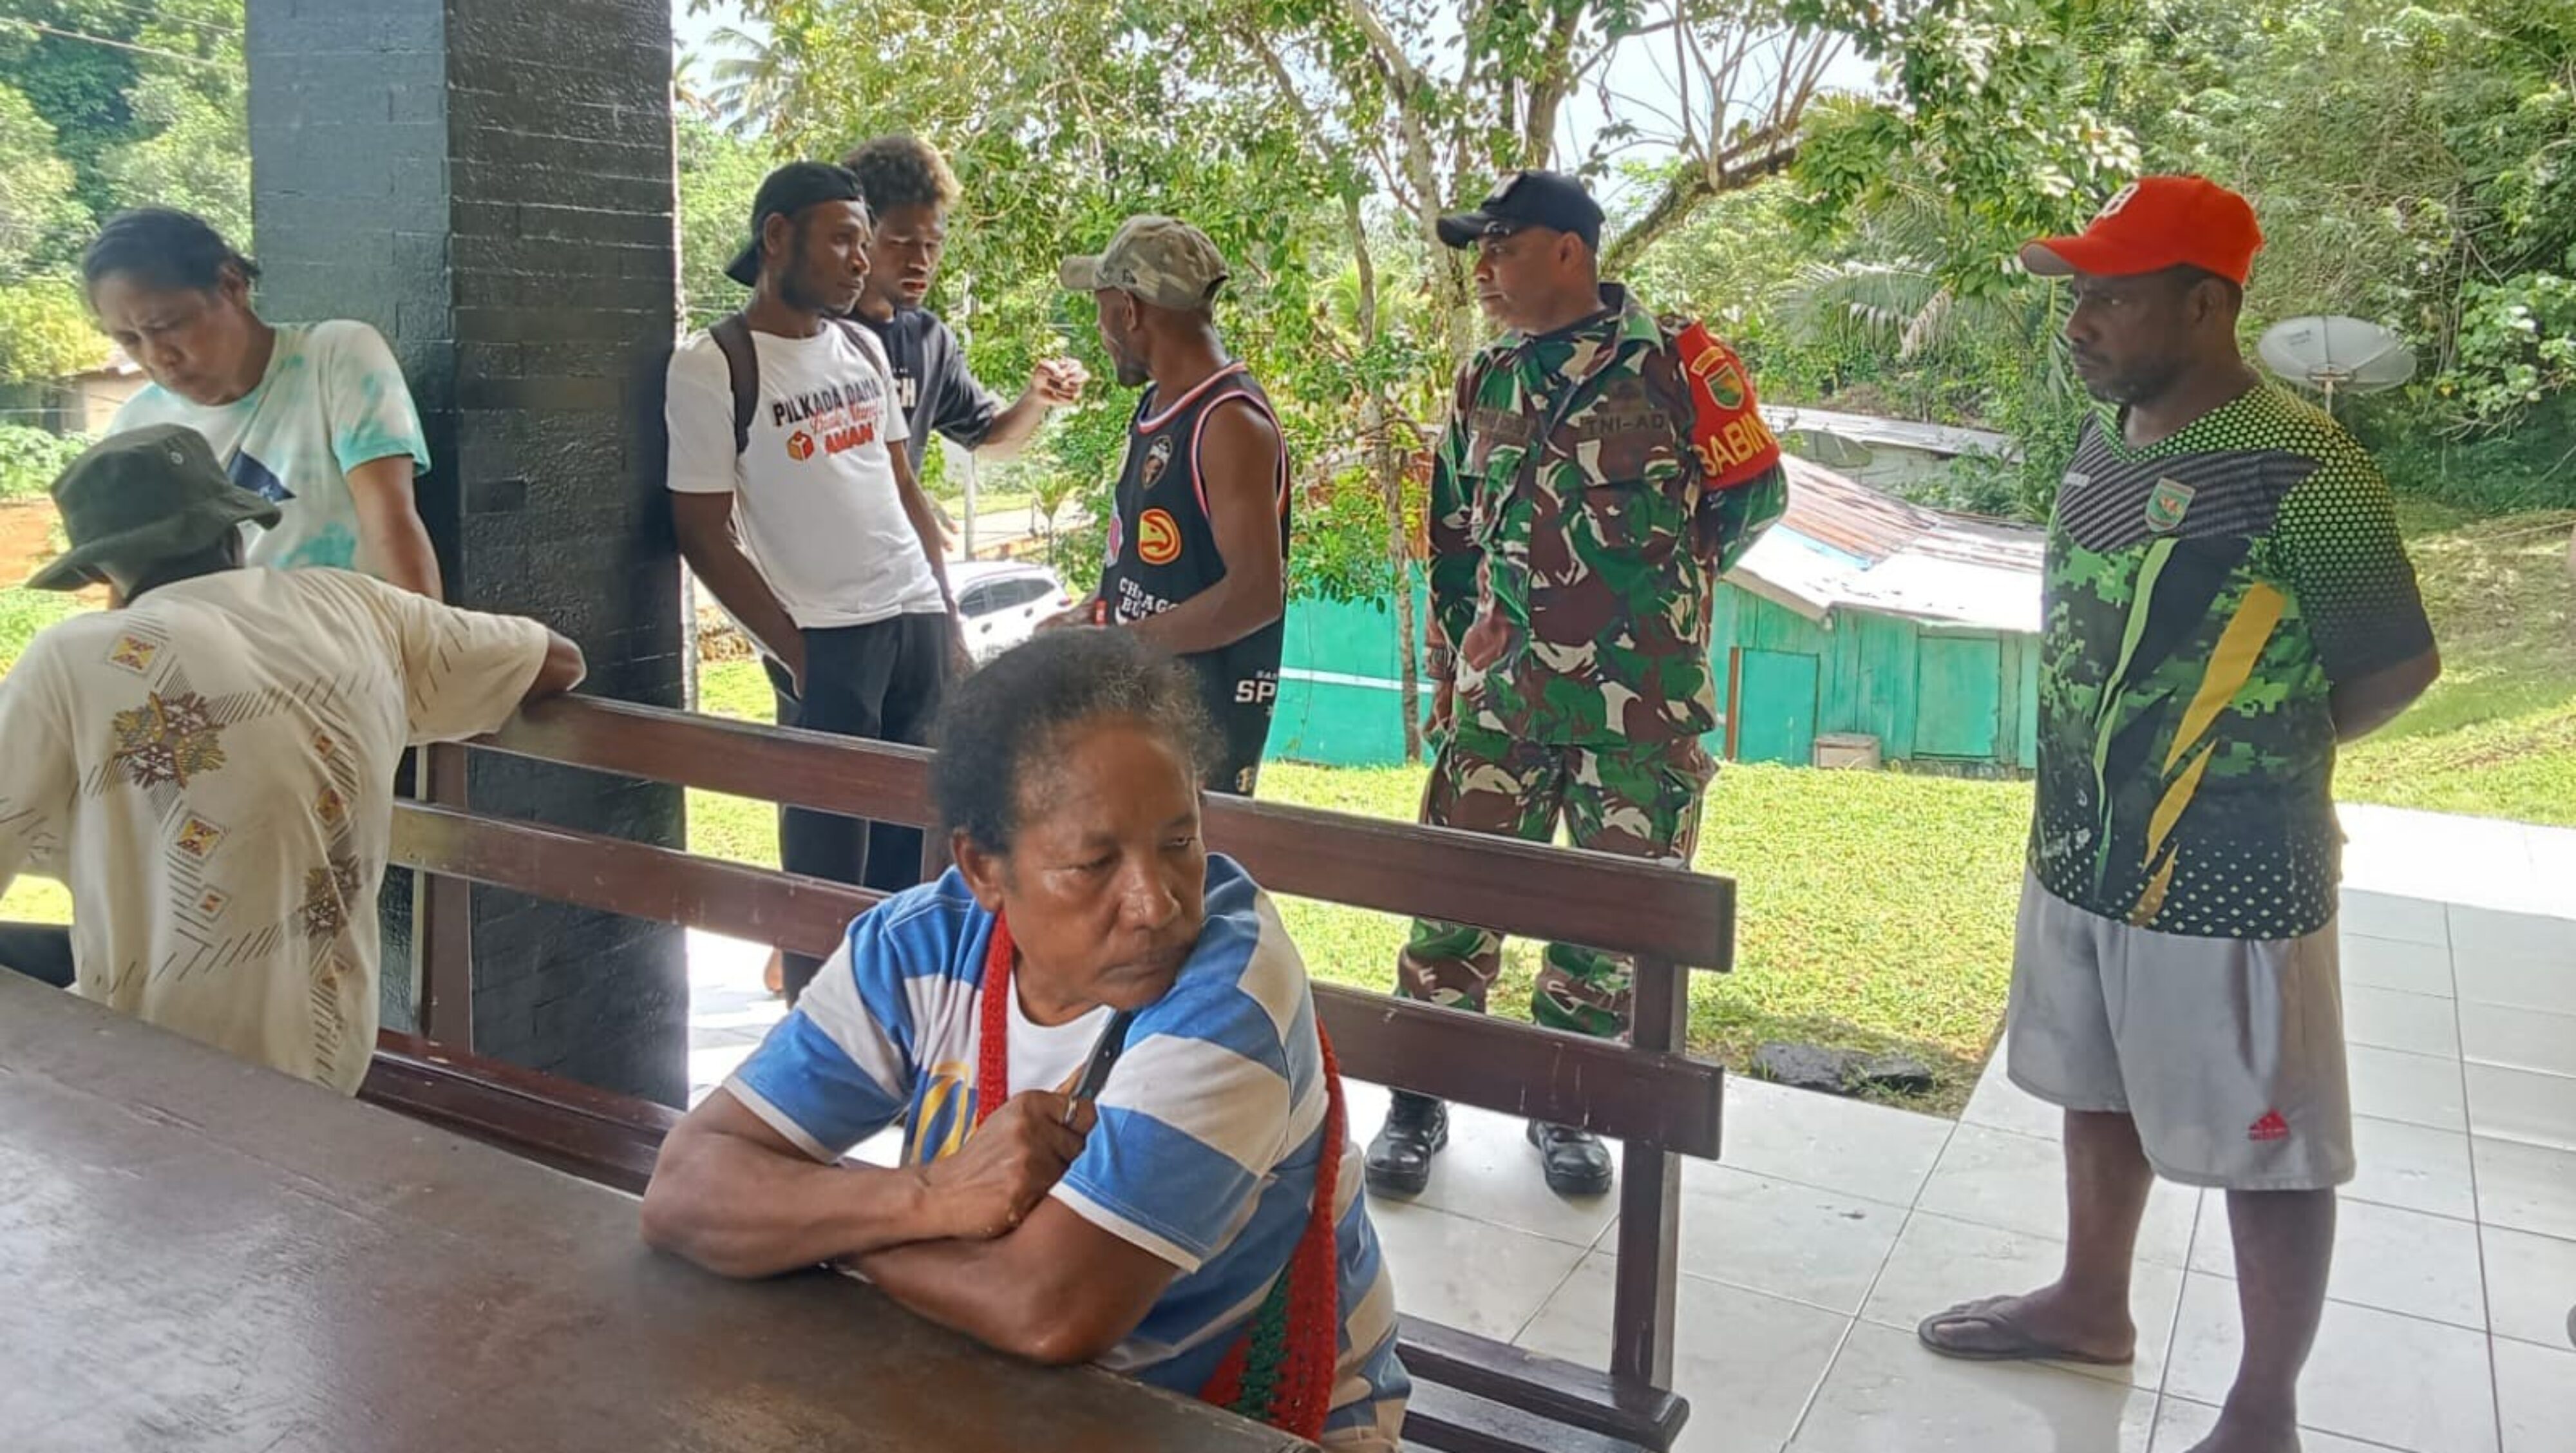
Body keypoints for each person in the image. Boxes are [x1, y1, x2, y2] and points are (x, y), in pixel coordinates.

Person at [1915, 176, 2440, 1453]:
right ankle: (2090, 1303)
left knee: (2272, 1142)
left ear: (2205, 306)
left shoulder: (2306, 469)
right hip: (2079, 852)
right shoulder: (2109, 440)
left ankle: (2263, 1409)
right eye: (2077, 294)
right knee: (2092, 1084)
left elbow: (2393, 662)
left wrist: (2252, 769)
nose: (2078, 320)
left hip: (2230, 877)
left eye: (2112, 295)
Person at [638, 629, 1408, 1450]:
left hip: (1254, 1417)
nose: (1154, 902)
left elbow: (1045, 1308)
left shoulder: (1231, 994)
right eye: (1093, 863)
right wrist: (932, 1198)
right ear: (982, 869)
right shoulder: (917, 950)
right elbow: (685, 1190)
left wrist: (820, 1231)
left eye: (1178, 843)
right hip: (1013, 1394)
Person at [1365, 170, 1787, 1200]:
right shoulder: (1486, 380)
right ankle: (1421, 1095)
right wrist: (1469, 656)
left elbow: (1753, 497)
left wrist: (1654, 599)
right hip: (1502, 705)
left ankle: (1570, 1106)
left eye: (1501, 246)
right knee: (1453, 903)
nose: (1485, 271)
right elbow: (1455, 535)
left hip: (1639, 716)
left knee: (1605, 928)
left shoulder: (1681, 366)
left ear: (1569, 249)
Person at [0, 426, 585, 1094]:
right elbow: (558, 661)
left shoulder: (76, 657)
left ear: (103, 571)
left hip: (156, 1066)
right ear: (238, 530)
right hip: (334, 1051)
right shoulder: (357, 605)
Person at [666, 162, 971, 1003]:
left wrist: (948, 623)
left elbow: (904, 490)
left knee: (913, 868)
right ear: (776, 237)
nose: (859, 259)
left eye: (863, 242)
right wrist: (797, 655)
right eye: (842, 238)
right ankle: (814, 1087)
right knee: (823, 883)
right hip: (829, 640)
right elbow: (699, 530)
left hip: (914, 626)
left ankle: (908, 1065)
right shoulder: (714, 366)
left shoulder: (864, 347)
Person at [1048, 215, 1290, 797]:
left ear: (1129, 310)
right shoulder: (1163, 403)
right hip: (1146, 725)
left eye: (1101, 308)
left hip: (1196, 749)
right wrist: (1096, 612)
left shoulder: (1228, 423)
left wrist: (1119, 647)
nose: (1100, 330)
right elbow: (1162, 569)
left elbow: (1256, 594)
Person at [87, 207, 442, 596]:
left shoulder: (335, 357)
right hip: (217, 648)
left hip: (349, 640)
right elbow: (131, 588)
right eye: (129, 340)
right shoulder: (138, 427)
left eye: (168, 326)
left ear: (231, 285)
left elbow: (391, 522)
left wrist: (428, 646)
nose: (156, 356)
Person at [839, 135, 1087, 479]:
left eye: (932, 245)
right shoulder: (808, 331)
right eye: (902, 243)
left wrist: (1037, 399)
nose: (921, 261)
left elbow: (988, 439)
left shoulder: (929, 340)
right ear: (859, 236)